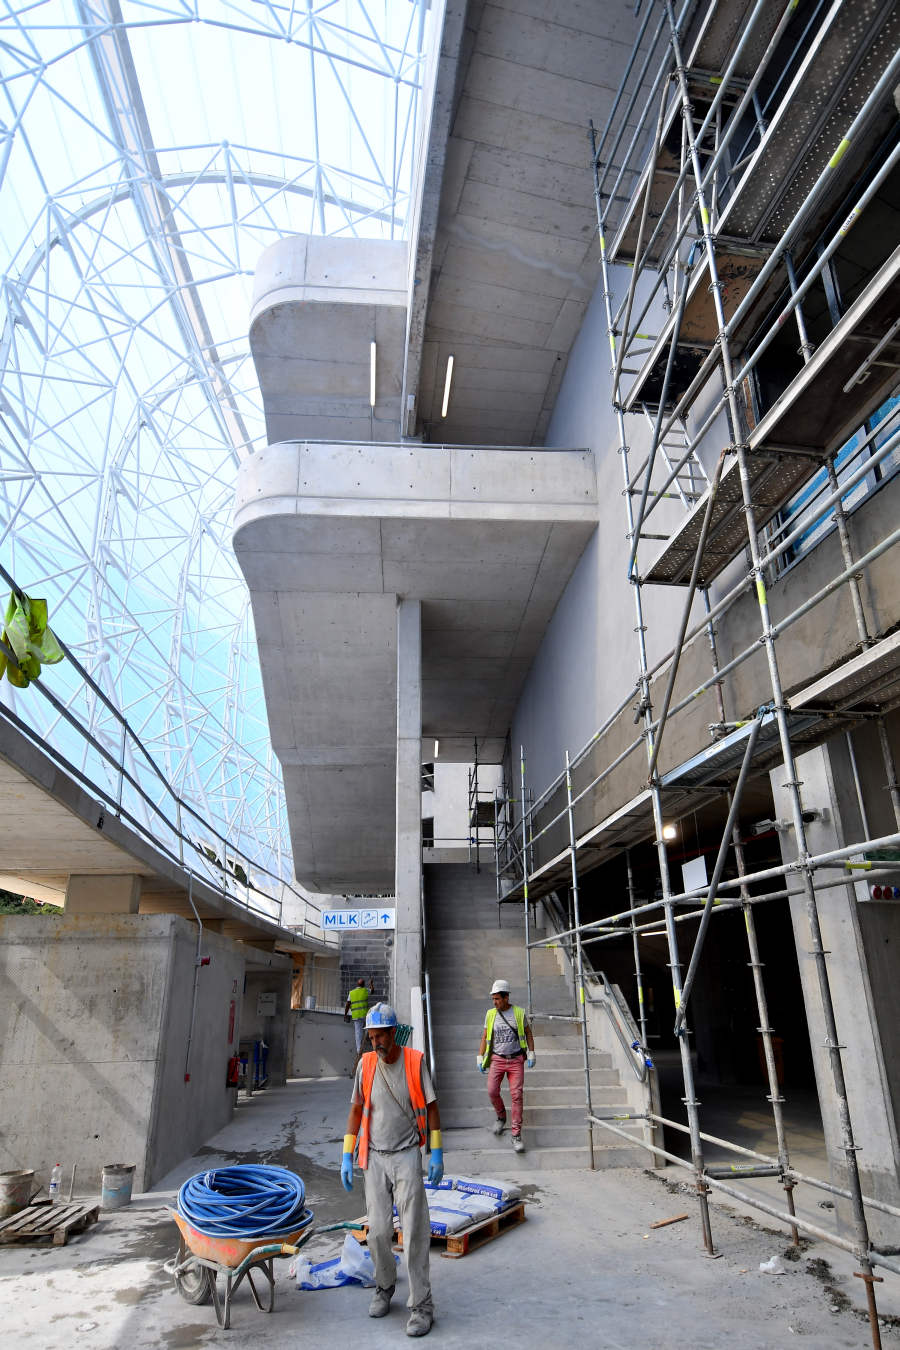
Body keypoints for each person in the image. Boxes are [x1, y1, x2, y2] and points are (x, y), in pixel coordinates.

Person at [340, 1003, 442, 1338]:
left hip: (407, 1155)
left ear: (394, 1033)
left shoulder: (414, 1061)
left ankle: (421, 1305)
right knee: (379, 1231)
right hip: (374, 1156)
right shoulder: (366, 1064)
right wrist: (346, 1152)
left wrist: (437, 1152)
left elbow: (431, 1107)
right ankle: (384, 1286)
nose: (375, 1042)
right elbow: (356, 1109)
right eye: (371, 1036)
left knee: (413, 1231)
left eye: (380, 1035)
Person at [476, 979, 535, 1153]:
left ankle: (516, 1135)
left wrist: (531, 1053)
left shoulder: (519, 1013)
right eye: (493, 999)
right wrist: (480, 1057)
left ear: (506, 997)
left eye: (497, 999)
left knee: (517, 1095)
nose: (495, 1002)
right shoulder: (490, 1014)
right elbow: (485, 1036)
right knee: (492, 1091)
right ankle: (501, 1116)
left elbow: (529, 1033)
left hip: (516, 1060)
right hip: (497, 1059)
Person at [344, 977, 370, 1053]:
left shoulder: (351, 993)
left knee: (358, 1032)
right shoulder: (365, 990)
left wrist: (345, 1014)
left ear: (357, 984)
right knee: (367, 1027)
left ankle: (359, 1049)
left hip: (356, 1016)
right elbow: (372, 991)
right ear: (364, 984)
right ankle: (367, 1037)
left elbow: (347, 1004)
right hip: (365, 1015)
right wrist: (371, 984)